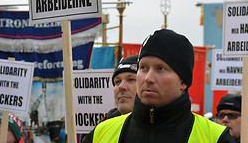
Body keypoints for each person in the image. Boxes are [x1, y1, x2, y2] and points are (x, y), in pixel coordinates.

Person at [84, 29, 235, 142]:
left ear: (183, 81)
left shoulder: (215, 138)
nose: (148, 78)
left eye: (160, 69)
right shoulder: (101, 133)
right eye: (143, 68)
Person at [81, 55, 138, 142]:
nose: (121, 87)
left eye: (131, 79)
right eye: (117, 82)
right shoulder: (101, 129)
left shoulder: (161, 125)